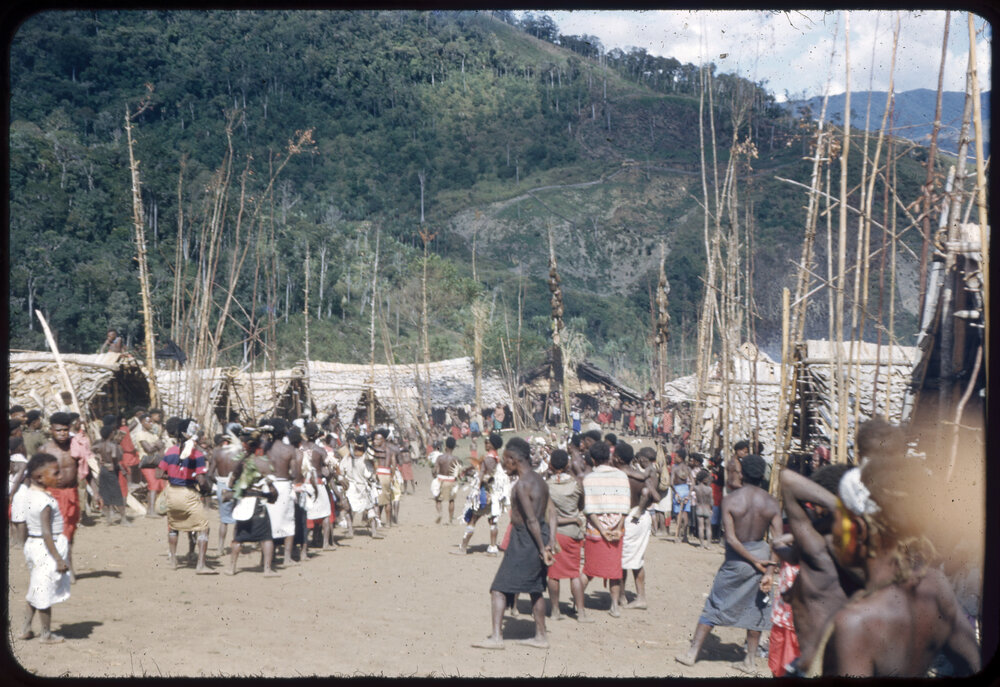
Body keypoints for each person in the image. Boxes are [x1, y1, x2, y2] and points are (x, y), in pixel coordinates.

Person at [818, 458, 980, 677]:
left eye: (837, 519)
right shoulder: (934, 586)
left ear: (861, 530)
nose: (834, 532)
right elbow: (974, 664)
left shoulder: (855, 623)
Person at [675, 454, 782, 674]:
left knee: (715, 603)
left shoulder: (731, 499)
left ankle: (692, 653)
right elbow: (777, 541)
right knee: (757, 608)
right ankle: (750, 660)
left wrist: (754, 561)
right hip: (762, 554)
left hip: (737, 558)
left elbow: (731, 538)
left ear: (742, 473)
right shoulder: (771, 502)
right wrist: (768, 570)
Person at [471, 437, 554, 650]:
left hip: (525, 538)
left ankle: (497, 638)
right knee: (535, 589)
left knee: (498, 588)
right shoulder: (540, 480)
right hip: (539, 536)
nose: (504, 464)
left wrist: (540, 547)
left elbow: (531, 520)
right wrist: (549, 542)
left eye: (506, 460)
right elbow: (552, 512)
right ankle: (541, 636)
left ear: (513, 459)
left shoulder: (522, 485)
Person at [775, 462, 857, 676]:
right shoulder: (860, 549)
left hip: (817, 665)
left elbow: (788, 479)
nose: (814, 510)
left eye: (814, 504)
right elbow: (792, 554)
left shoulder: (820, 544)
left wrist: (842, 507)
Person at [18, 453, 72, 644]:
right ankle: (46, 634)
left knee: (35, 588)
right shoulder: (45, 502)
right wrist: (58, 558)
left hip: (34, 545)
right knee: (44, 594)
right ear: (40, 477)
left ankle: (25, 629)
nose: (60, 477)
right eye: (56, 473)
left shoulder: (29, 495)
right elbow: (47, 532)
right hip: (46, 548)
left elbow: (25, 524)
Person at [156, 417, 213, 573]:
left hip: (172, 493)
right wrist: (207, 488)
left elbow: (159, 473)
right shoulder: (197, 454)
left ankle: (173, 560)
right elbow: (201, 480)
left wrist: (174, 477)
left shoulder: (170, 451)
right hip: (188, 493)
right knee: (203, 528)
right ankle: (201, 565)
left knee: (174, 526)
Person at [581, 441, 630, 617]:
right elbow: (625, 507)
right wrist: (617, 527)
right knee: (614, 570)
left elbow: (590, 509)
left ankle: (578, 606)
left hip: (595, 530)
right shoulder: (621, 476)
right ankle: (614, 606)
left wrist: (602, 530)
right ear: (608, 457)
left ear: (593, 459)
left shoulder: (589, 479)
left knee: (588, 570)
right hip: (616, 531)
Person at [545, 449, 590, 623]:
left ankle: (555, 610)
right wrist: (572, 517)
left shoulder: (547, 486)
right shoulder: (577, 484)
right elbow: (581, 505)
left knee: (554, 574)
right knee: (574, 573)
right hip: (573, 532)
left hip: (555, 534)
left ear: (550, 465)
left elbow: (547, 514)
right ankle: (581, 612)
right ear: (567, 465)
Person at [227, 428, 280, 576]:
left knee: (238, 537)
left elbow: (231, 483)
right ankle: (267, 570)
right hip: (257, 503)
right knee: (266, 537)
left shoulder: (240, 461)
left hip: (243, 502)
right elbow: (272, 487)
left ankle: (231, 568)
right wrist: (273, 496)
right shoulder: (262, 463)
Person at [38, 412, 80, 581]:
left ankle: (68, 565)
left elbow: (86, 467)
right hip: (52, 495)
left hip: (72, 494)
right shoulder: (45, 450)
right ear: (51, 430)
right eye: (58, 430)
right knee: (55, 532)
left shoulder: (75, 447)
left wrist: (96, 490)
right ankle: (59, 566)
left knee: (69, 531)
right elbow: (35, 474)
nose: (62, 433)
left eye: (65, 430)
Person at [616, 441, 653, 610]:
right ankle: (638, 596)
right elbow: (652, 495)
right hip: (640, 517)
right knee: (635, 558)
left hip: (628, 518)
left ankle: (625, 596)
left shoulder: (618, 475)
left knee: (623, 559)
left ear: (617, 458)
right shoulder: (640, 475)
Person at [338, 434, 381, 539]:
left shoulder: (347, 457)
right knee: (370, 509)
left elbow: (340, 470)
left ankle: (350, 531)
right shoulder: (365, 458)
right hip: (362, 487)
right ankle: (374, 532)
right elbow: (373, 463)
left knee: (349, 510)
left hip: (350, 487)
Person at [208, 426, 242, 553]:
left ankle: (220, 547)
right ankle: (235, 545)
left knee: (224, 520)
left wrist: (219, 483)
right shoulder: (240, 453)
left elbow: (210, 474)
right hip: (237, 485)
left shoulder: (217, 453)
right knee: (237, 517)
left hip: (222, 485)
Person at [92, 425, 129, 526]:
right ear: (110, 434)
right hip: (111, 470)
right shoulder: (113, 446)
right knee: (117, 494)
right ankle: (123, 519)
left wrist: (99, 458)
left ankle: (108, 519)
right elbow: (114, 456)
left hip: (103, 469)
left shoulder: (99, 445)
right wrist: (114, 463)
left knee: (104, 494)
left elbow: (92, 450)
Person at [132, 412, 165, 518]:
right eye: (148, 421)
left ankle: (153, 508)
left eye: (151, 421)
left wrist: (154, 446)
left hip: (154, 462)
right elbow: (148, 449)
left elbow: (161, 448)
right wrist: (156, 445)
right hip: (146, 463)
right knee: (153, 485)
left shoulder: (153, 434)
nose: (150, 423)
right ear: (142, 422)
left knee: (157, 485)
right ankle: (150, 511)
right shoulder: (141, 434)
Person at [433, 437, 461, 524]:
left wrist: (434, 476)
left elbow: (435, 470)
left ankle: (440, 513)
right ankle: (450, 519)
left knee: (438, 499)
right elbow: (458, 474)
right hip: (451, 480)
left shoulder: (440, 458)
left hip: (441, 479)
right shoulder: (456, 459)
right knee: (451, 500)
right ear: (454, 447)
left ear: (446, 446)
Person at [670, 447, 692, 543]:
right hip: (686, 489)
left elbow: (671, 482)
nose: (674, 459)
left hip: (678, 490)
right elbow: (693, 482)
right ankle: (685, 536)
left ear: (681, 458)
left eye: (676, 457)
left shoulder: (674, 468)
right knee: (685, 513)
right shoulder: (688, 468)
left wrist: (676, 492)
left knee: (678, 513)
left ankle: (677, 535)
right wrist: (689, 494)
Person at [693, 469, 713, 548]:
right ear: (704, 479)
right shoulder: (709, 489)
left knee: (700, 527)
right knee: (708, 527)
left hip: (699, 508)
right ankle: (708, 544)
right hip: (707, 508)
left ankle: (701, 544)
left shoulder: (696, 488)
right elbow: (711, 501)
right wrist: (711, 509)